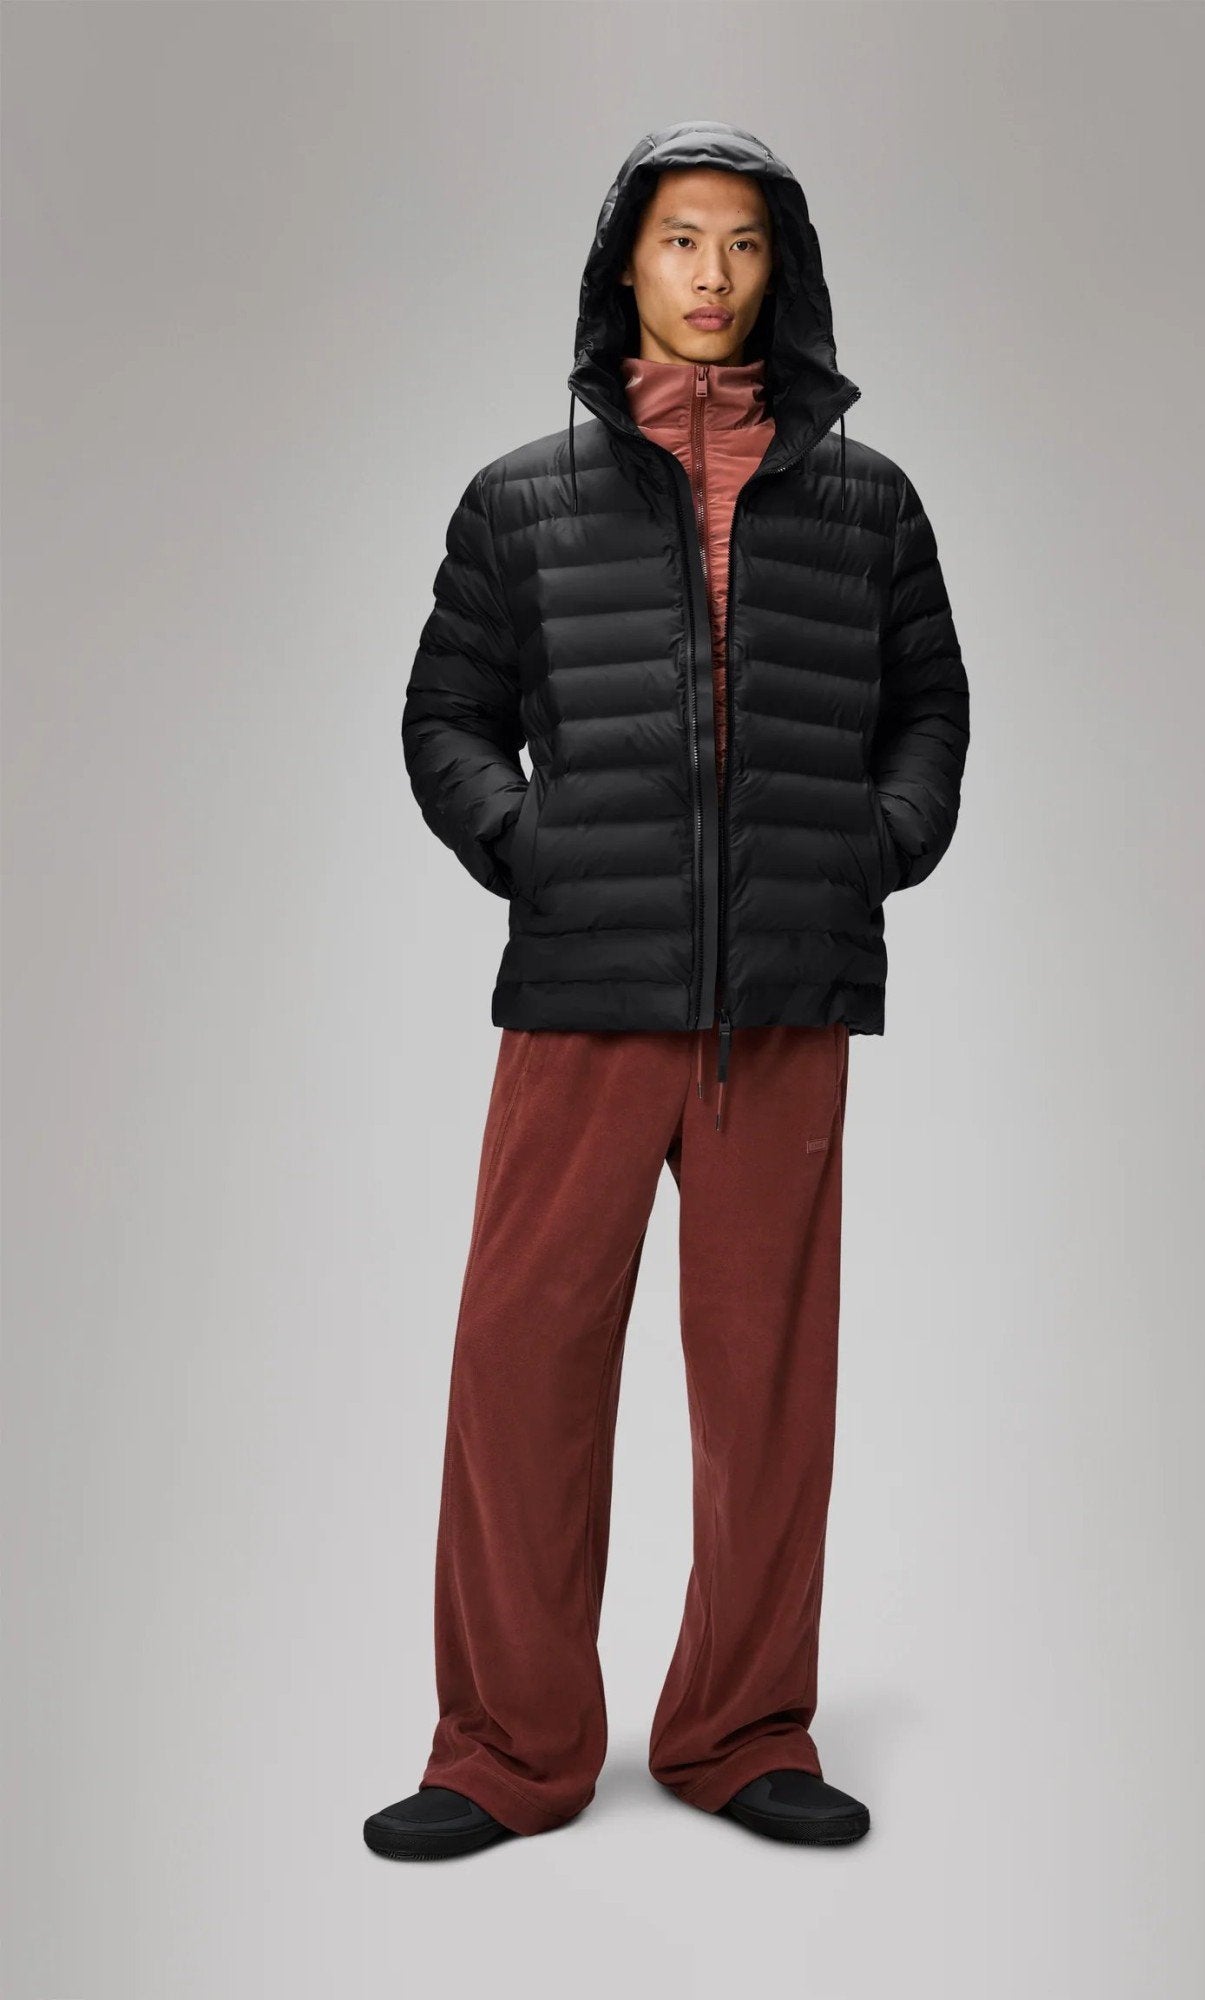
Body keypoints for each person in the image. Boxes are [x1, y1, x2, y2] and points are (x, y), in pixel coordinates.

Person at [364, 118, 969, 1860]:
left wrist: (877, 842)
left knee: (767, 1380)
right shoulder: (521, 499)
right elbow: (446, 714)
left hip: (782, 995)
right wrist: (528, 846)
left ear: (783, 271)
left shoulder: (866, 501)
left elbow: (928, 705)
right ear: (624, 263)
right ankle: (504, 1748)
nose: (712, 275)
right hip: (585, 989)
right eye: (681, 241)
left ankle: (739, 1731)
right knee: (523, 1365)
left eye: (744, 245)